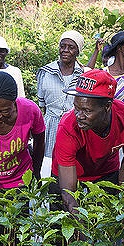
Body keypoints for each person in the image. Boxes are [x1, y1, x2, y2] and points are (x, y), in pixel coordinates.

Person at [52, 69, 124, 213]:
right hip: (68, 174)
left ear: (107, 106)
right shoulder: (68, 126)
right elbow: (68, 195)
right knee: (61, 223)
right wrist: (80, 229)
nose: (79, 116)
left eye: (87, 110)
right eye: (76, 108)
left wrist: (122, 199)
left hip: (105, 172)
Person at [36, 30, 85, 158]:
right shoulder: (45, 73)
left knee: (72, 161)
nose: (65, 50)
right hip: (50, 125)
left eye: (71, 47)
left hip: (75, 126)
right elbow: (43, 105)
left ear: (78, 51)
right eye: (62, 46)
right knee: (48, 162)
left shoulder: (83, 75)